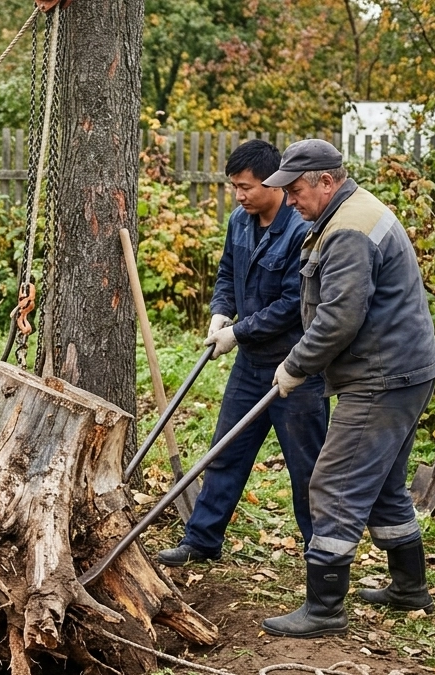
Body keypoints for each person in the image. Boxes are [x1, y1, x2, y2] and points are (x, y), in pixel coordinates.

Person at [259, 139, 435, 638]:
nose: (291, 201)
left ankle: (324, 610)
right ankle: (408, 588)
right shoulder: (351, 213)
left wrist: (294, 366)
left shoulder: (349, 231)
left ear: (326, 180)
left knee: (335, 484)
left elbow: (339, 318)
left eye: (296, 190)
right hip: (406, 369)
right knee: (382, 483)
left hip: (383, 378)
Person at [157, 140, 329, 567]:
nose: (239, 195)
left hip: (295, 369)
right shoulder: (240, 221)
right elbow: (226, 275)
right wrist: (220, 313)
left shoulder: (301, 229)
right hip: (251, 365)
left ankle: (322, 557)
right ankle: (201, 540)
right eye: (234, 186)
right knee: (225, 452)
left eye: (246, 186)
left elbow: (293, 303)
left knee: (307, 470)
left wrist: (238, 331)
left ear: (273, 182)